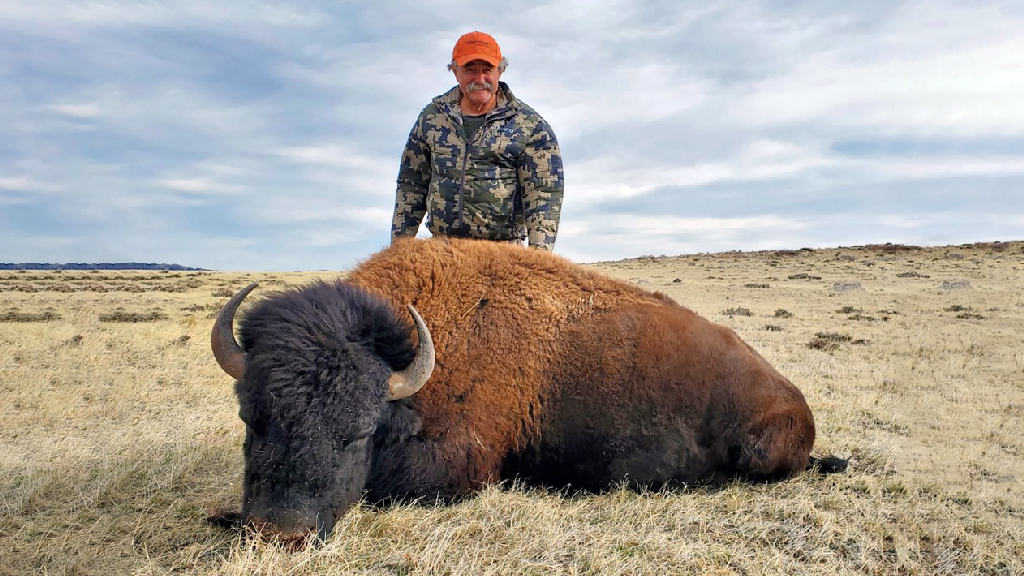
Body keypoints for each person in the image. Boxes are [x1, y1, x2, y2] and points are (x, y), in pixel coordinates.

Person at [391, 31, 564, 251]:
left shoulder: (530, 126)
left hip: (504, 253)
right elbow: (411, 183)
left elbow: (544, 194)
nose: (480, 79)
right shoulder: (432, 118)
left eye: (487, 70)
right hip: (443, 251)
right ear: (455, 71)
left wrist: (539, 259)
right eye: (470, 70)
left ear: (500, 71)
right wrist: (398, 249)